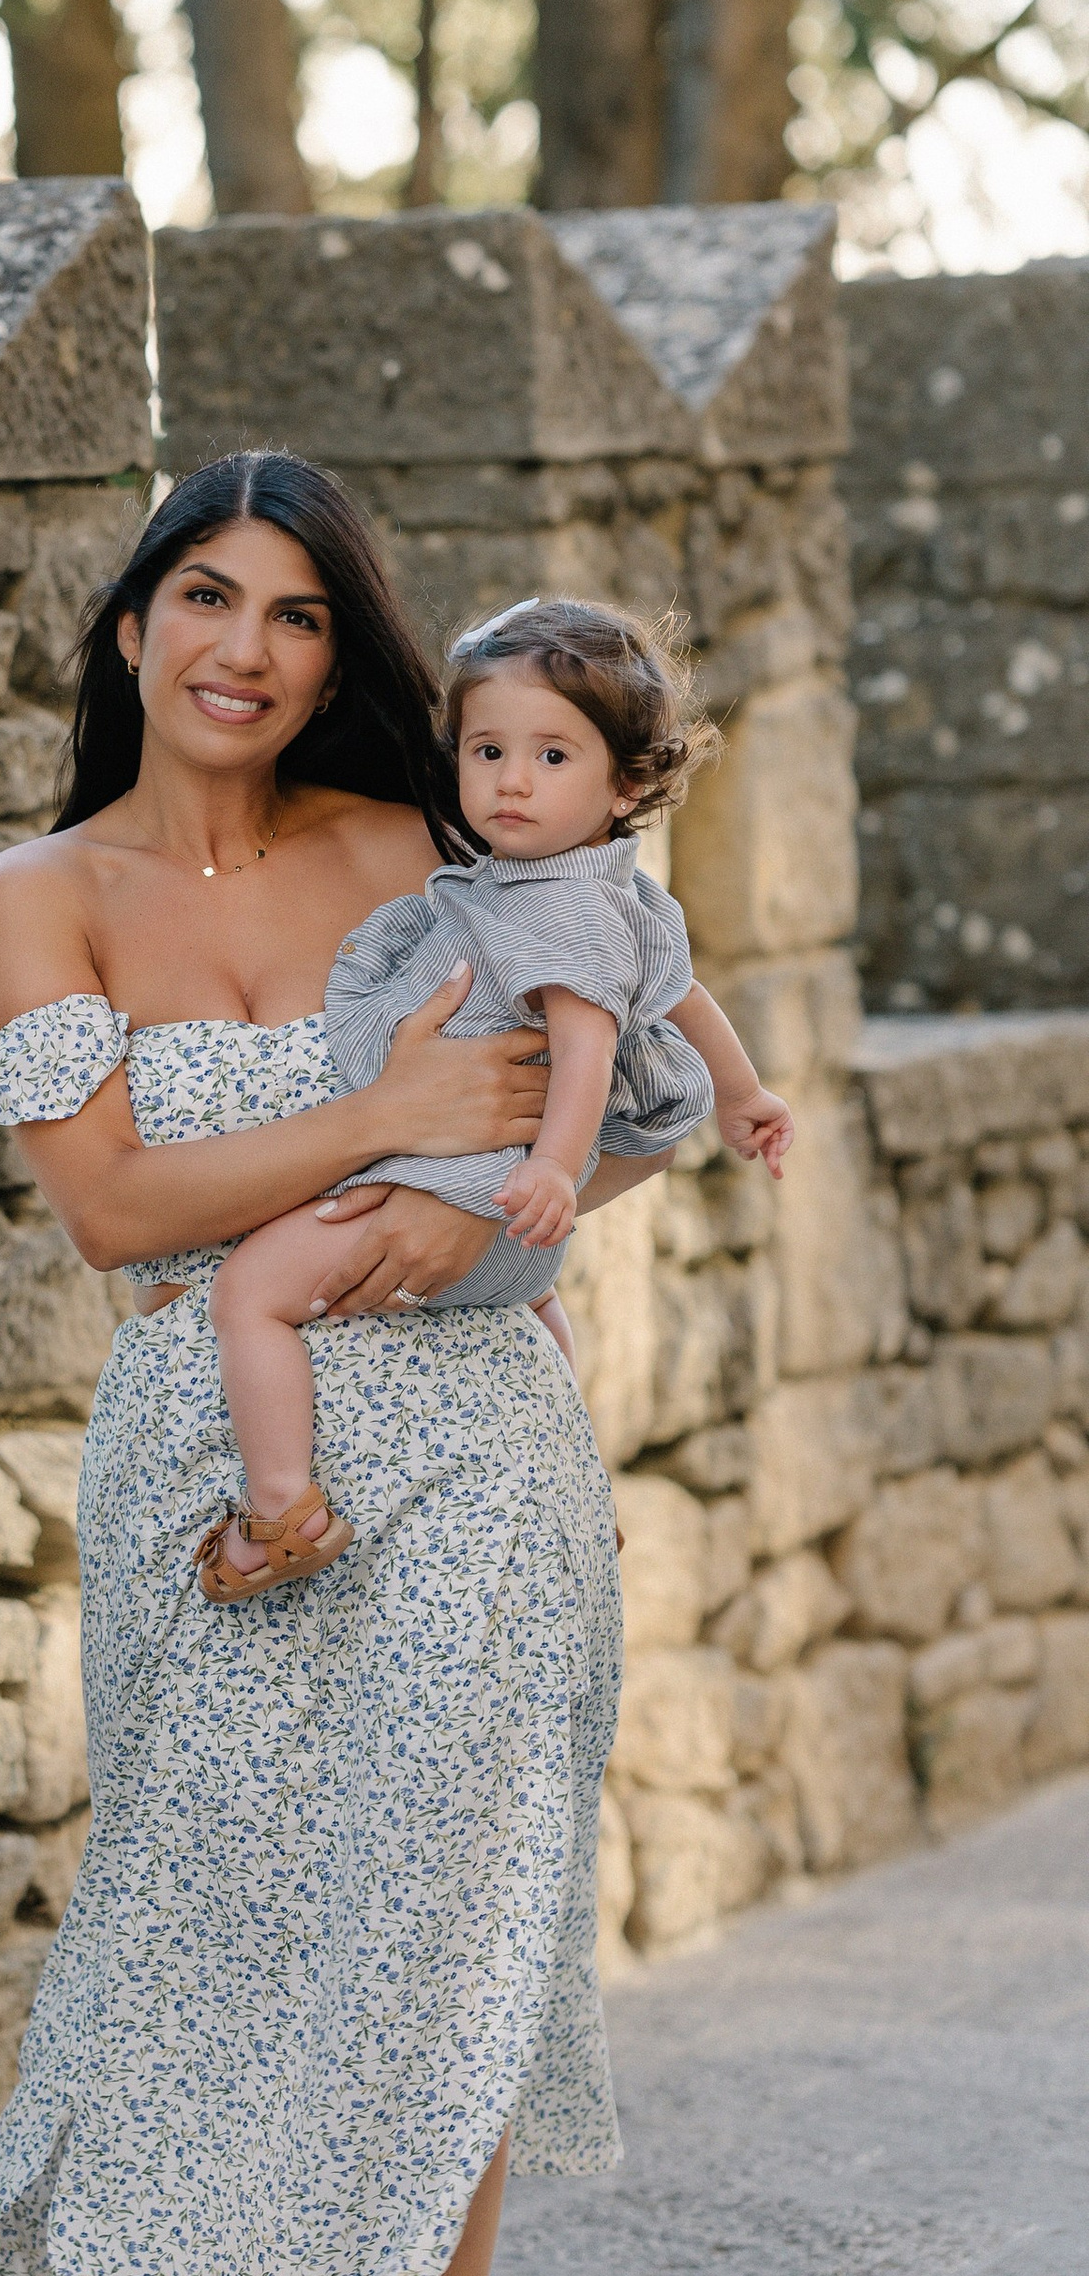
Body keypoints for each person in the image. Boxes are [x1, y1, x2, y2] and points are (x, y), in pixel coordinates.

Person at [0, 451, 678, 2276]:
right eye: (201, 597)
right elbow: (106, 1212)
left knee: (443, 1923)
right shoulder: (39, 895)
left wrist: (463, 1240)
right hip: (209, 1446)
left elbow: (608, 1095)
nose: (241, 649)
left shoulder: (415, 848)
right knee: (264, 1913)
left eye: (288, 615)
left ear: (331, 655)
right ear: (127, 629)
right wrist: (371, 1127)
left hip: (464, 1439)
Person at [198, 594, 794, 1588]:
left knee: (249, 1295)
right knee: (536, 1315)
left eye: (552, 758)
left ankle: (280, 1506)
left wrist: (557, 1169)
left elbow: (588, 1042)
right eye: (487, 753)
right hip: (516, 1249)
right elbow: (680, 994)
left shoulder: (550, 904)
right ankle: (576, 1480)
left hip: (476, 1185)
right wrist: (742, 1094)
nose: (512, 783)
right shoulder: (614, 887)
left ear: (627, 782)